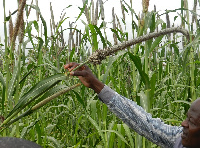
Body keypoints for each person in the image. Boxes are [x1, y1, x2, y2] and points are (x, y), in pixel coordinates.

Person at [64, 62, 200, 148]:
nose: (183, 124)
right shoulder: (178, 139)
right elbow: (145, 124)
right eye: (187, 118)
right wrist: (95, 84)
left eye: (192, 122)